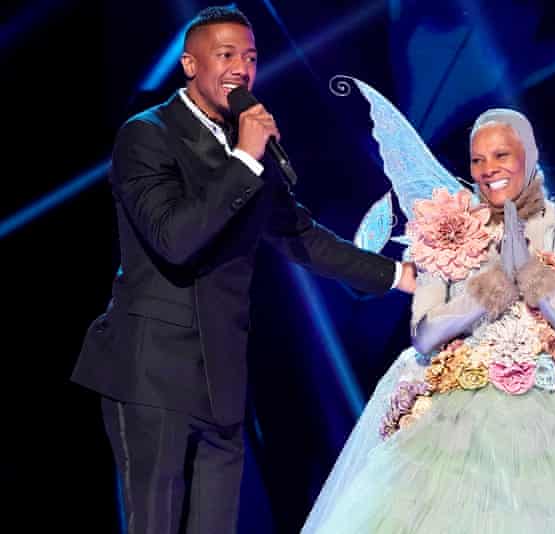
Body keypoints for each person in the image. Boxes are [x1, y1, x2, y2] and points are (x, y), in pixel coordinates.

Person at [71, 6, 414, 534]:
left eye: (250, 57)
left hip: (223, 374)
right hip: (150, 371)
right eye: (226, 54)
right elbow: (176, 240)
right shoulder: (147, 136)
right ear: (190, 63)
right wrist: (246, 161)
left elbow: (300, 236)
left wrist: (396, 275)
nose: (241, 69)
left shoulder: (244, 143)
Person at [301, 108, 555, 533]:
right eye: (478, 160)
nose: (487, 170)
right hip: (456, 421)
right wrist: (493, 283)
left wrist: (533, 276)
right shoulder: (446, 227)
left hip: (552, 425)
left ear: (529, 155)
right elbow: (424, 335)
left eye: (501, 156)